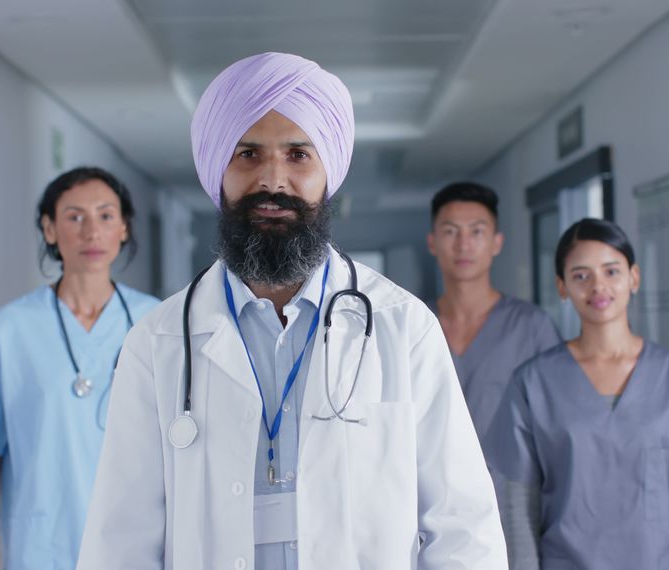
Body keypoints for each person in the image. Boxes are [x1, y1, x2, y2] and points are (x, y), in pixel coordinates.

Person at [78, 52, 506, 569]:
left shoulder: (402, 327)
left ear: (329, 173)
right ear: (218, 171)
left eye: (298, 155)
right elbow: (120, 540)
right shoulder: (158, 342)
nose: (273, 181)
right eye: (249, 154)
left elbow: (462, 528)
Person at [490, 218, 669, 570]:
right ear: (562, 287)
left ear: (633, 277)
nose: (598, 286)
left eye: (611, 271)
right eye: (581, 275)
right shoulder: (532, 384)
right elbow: (519, 512)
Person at [0, 167, 160, 569]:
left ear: (123, 229)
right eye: (74, 216)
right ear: (49, 229)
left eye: (105, 215)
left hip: (135, 547)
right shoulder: (10, 329)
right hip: (40, 549)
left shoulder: (155, 323)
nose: (91, 231)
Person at [426, 182, 561, 496]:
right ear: (432, 242)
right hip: (431, 500)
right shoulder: (416, 324)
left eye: (476, 232)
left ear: (496, 243)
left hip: (512, 502)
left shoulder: (531, 327)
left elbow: (557, 424)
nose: (463, 245)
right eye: (450, 231)